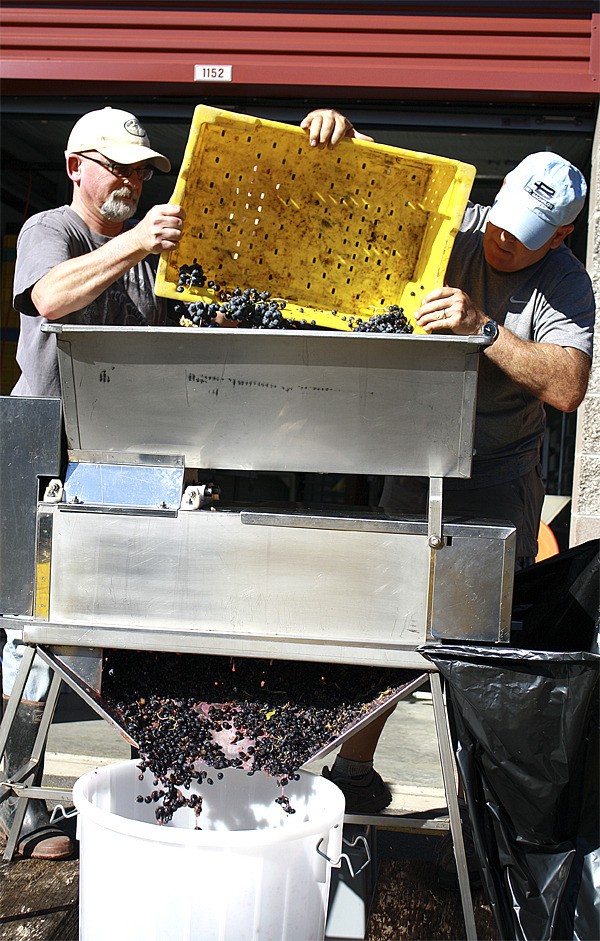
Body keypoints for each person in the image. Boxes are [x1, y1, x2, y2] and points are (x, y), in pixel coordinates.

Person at [302, 114, 595, 848]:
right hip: (413, 459)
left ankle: (478, 803)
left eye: (524, 234)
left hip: (496, 478)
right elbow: (384, 189)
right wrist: (347, 136)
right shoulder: (461, 225)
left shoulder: (565, 282)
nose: (500, 241)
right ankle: (355, 770)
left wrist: (485, 328)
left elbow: (568, 386)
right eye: (501, 222)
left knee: (479, 647)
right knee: (384, 624)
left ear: (559, 236)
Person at [2, 106, 185, 859]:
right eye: (118, 166)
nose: (132, 181)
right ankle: (17, 803)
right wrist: (138, 239)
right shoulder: (52, 229)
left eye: (141, 170)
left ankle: (105, 801)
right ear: (78, 165)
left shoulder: (152, 255)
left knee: (105, 635)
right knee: (24, 637)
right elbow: (50, 299)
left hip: (124, 459)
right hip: (39, 444)